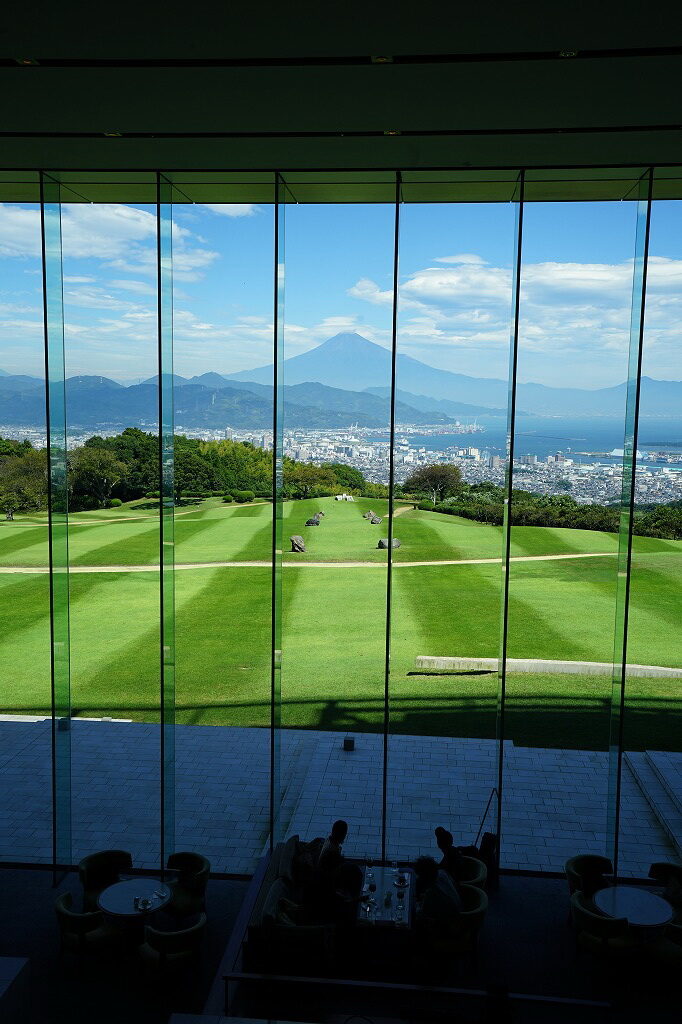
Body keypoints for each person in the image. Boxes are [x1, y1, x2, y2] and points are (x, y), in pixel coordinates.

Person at [414, 855, 462, 929]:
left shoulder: (432, 893)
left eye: (419, 875)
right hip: (458, 910)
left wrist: (415, 904)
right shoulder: (442, 873)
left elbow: (421, 913)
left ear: (423, 877)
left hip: (448, 925)